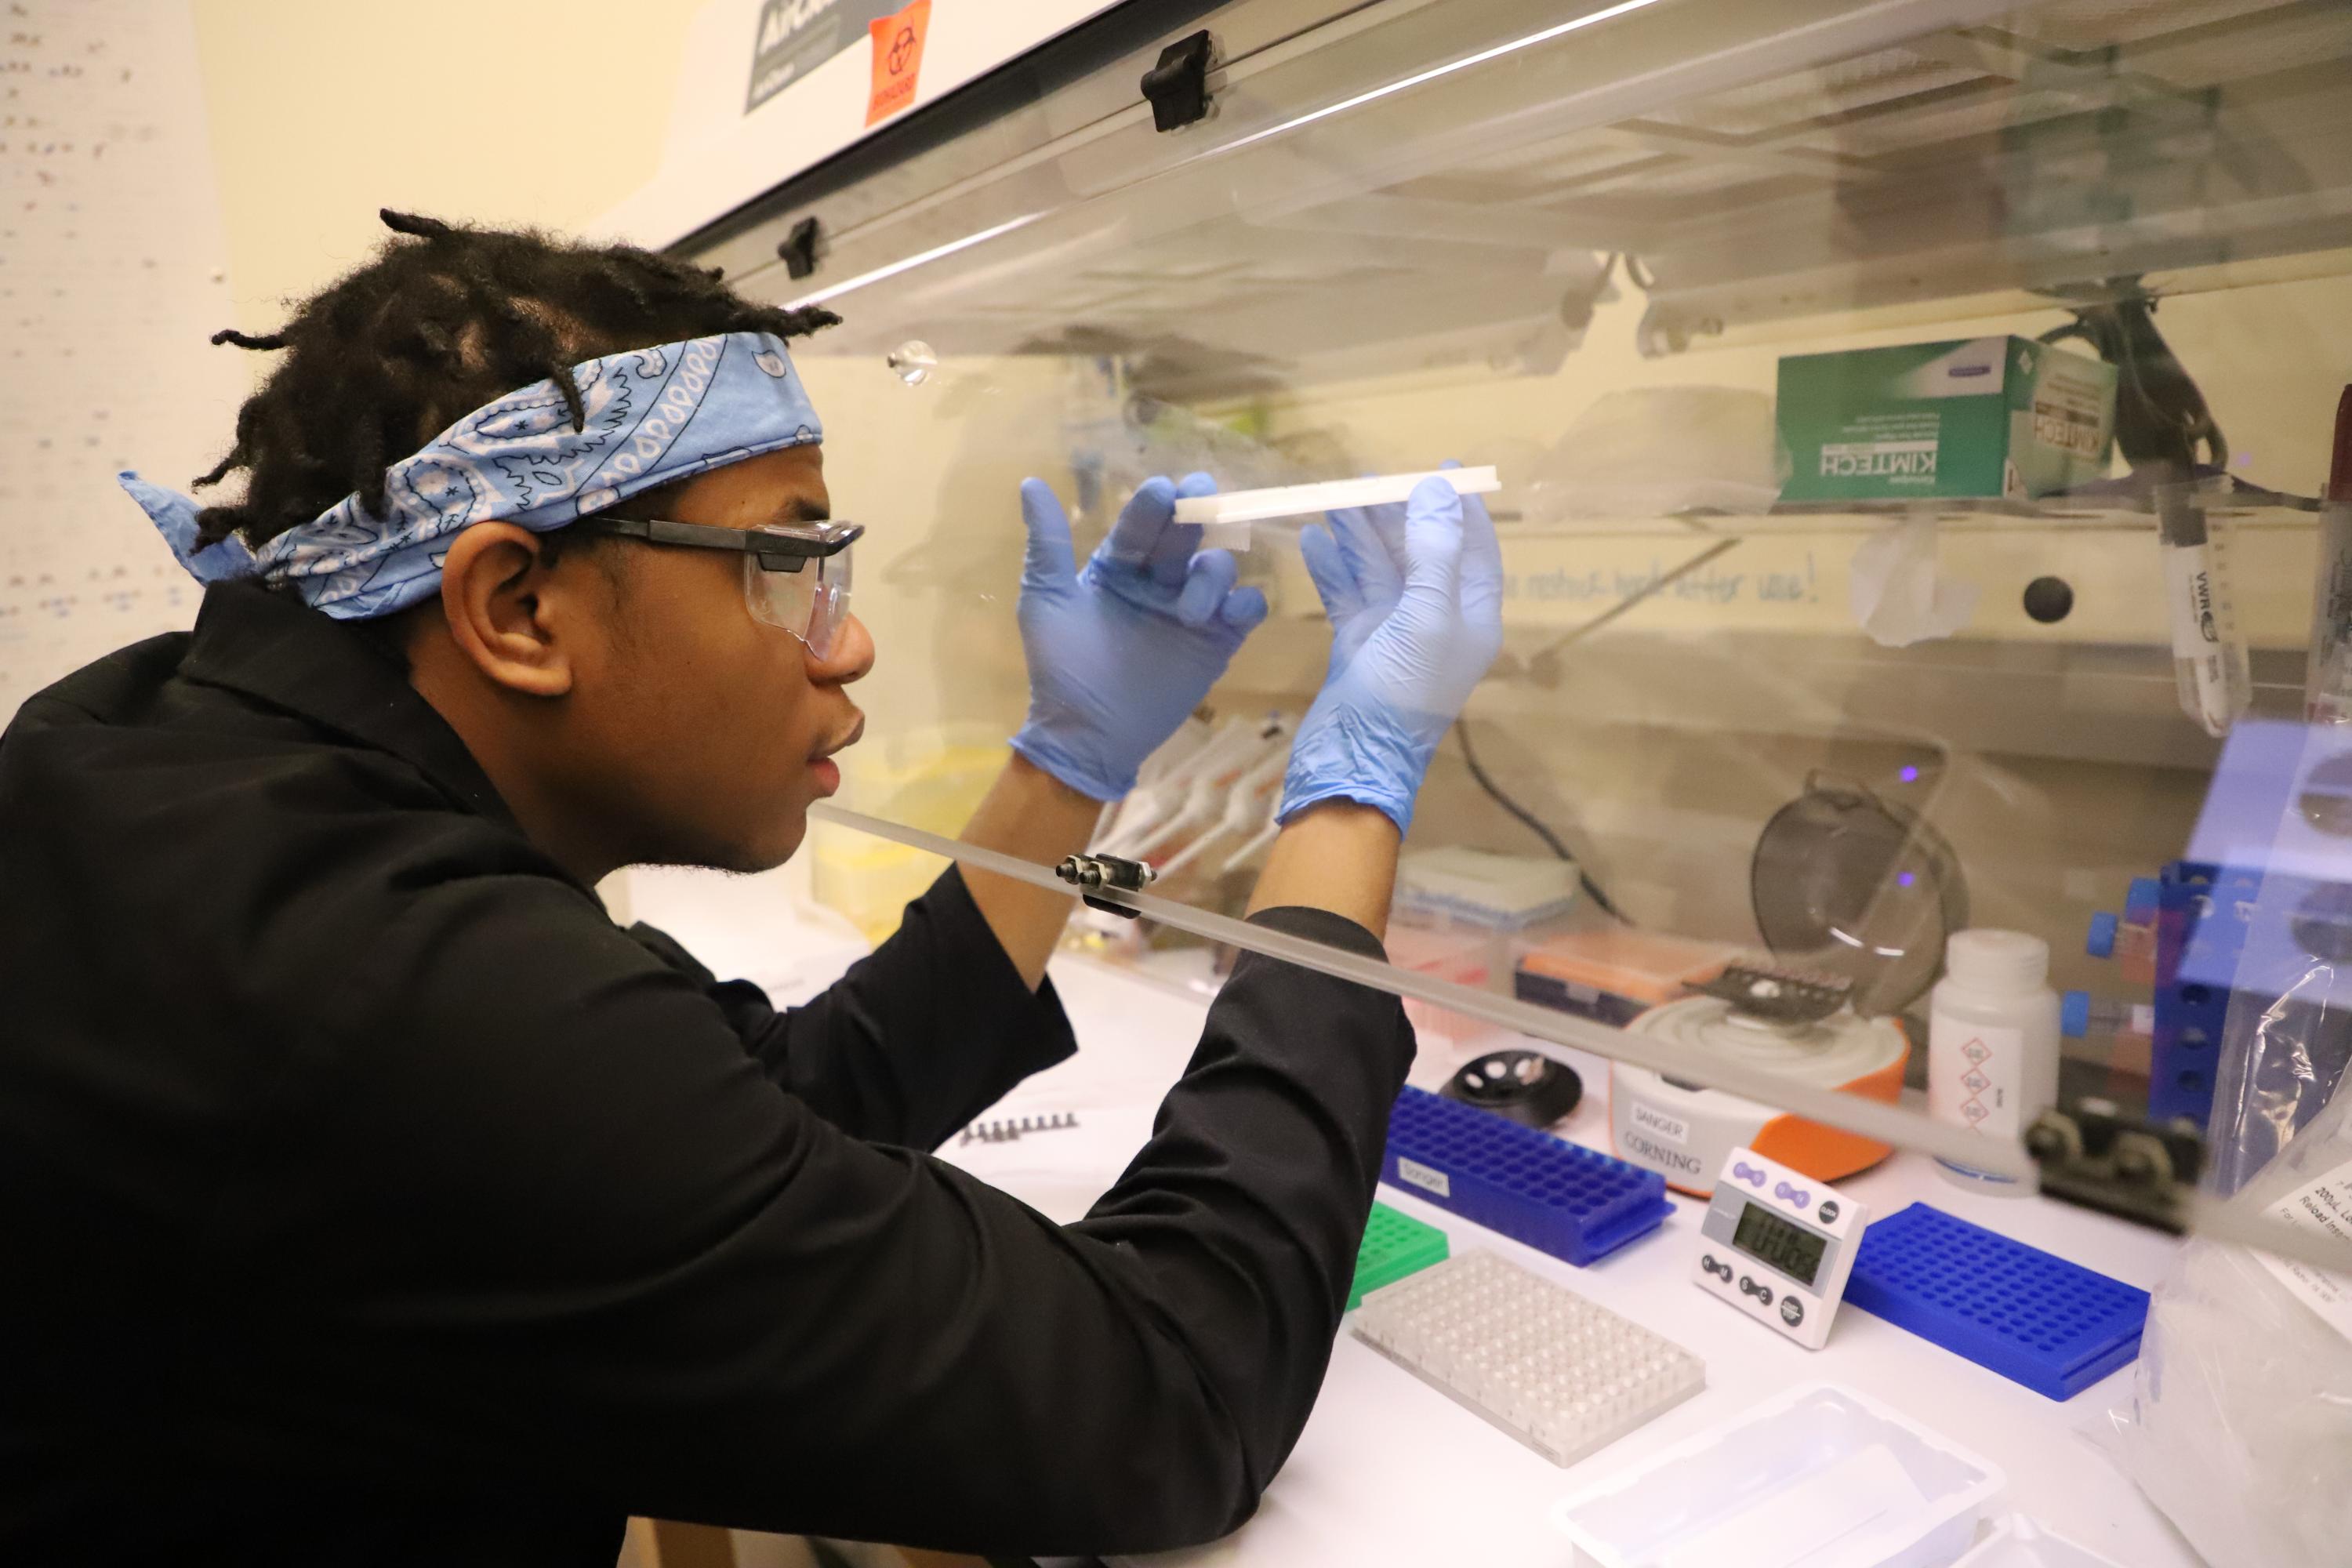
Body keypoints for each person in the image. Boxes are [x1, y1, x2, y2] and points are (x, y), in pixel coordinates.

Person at [0, 212, 1501, 1565]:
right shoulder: (393, 986)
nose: (840, 644)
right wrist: (1350, 797)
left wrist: (1066, 764)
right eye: (784, 562)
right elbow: (1166, 1399)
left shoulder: (175, 761)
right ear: (516, 607)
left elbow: (755, 1109)